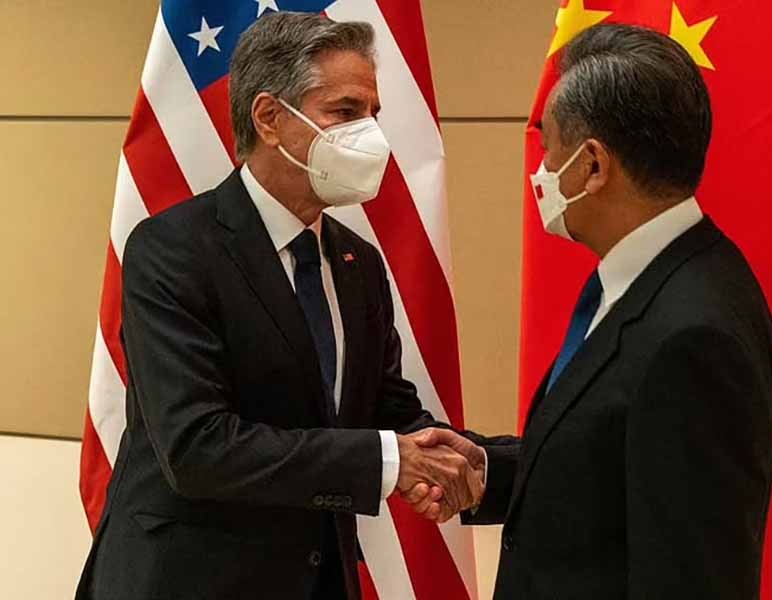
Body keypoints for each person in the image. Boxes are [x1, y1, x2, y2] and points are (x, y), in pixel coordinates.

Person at [75, 12, 482, 600]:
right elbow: (197, 447)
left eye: (373, 114)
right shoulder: (173, 249)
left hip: (314, 578)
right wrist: (389, 461)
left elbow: (383, 408)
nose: (371, 135)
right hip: (187, 580)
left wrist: (448, 455)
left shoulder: (358, 263)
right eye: (345, 112)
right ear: (269, 118)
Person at [406, 23, 772, 599]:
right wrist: (491, 468)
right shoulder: (646, 280)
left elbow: (691, 578)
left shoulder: (695, 333)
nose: (541, 169)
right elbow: (613, 472)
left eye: (548, 145)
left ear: (592, 166)